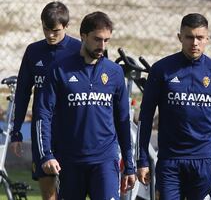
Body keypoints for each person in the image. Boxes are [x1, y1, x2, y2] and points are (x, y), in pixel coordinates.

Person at [35, 11, 136, 199]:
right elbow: (43, 114)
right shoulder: (59, 70)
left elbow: (123, 120)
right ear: (83, 36)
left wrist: (129, 165)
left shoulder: (114, 72)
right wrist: (46, 154)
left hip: (105, 160)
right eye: (97, 39)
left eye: (107, 40)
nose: (102, 46)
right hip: (71, 160)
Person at [137, 13, 211, 200]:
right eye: (189, 37)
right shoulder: (161, 70)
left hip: (203, 160)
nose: (195, 43)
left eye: (200, 37)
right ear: (180, 37)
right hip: (169, 160)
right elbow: (145, 117)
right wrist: (142, 160)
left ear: (207, 39)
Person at [9, 1, 81, 200]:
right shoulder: (33, 51)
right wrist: (16, 132)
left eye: (55, 31)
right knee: (48, 192)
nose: (50, 35)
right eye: (46, 29)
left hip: (72, 130)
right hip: (43, 130)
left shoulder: (79, 50)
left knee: (72, 190)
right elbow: (23, 92)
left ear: (66, 27)